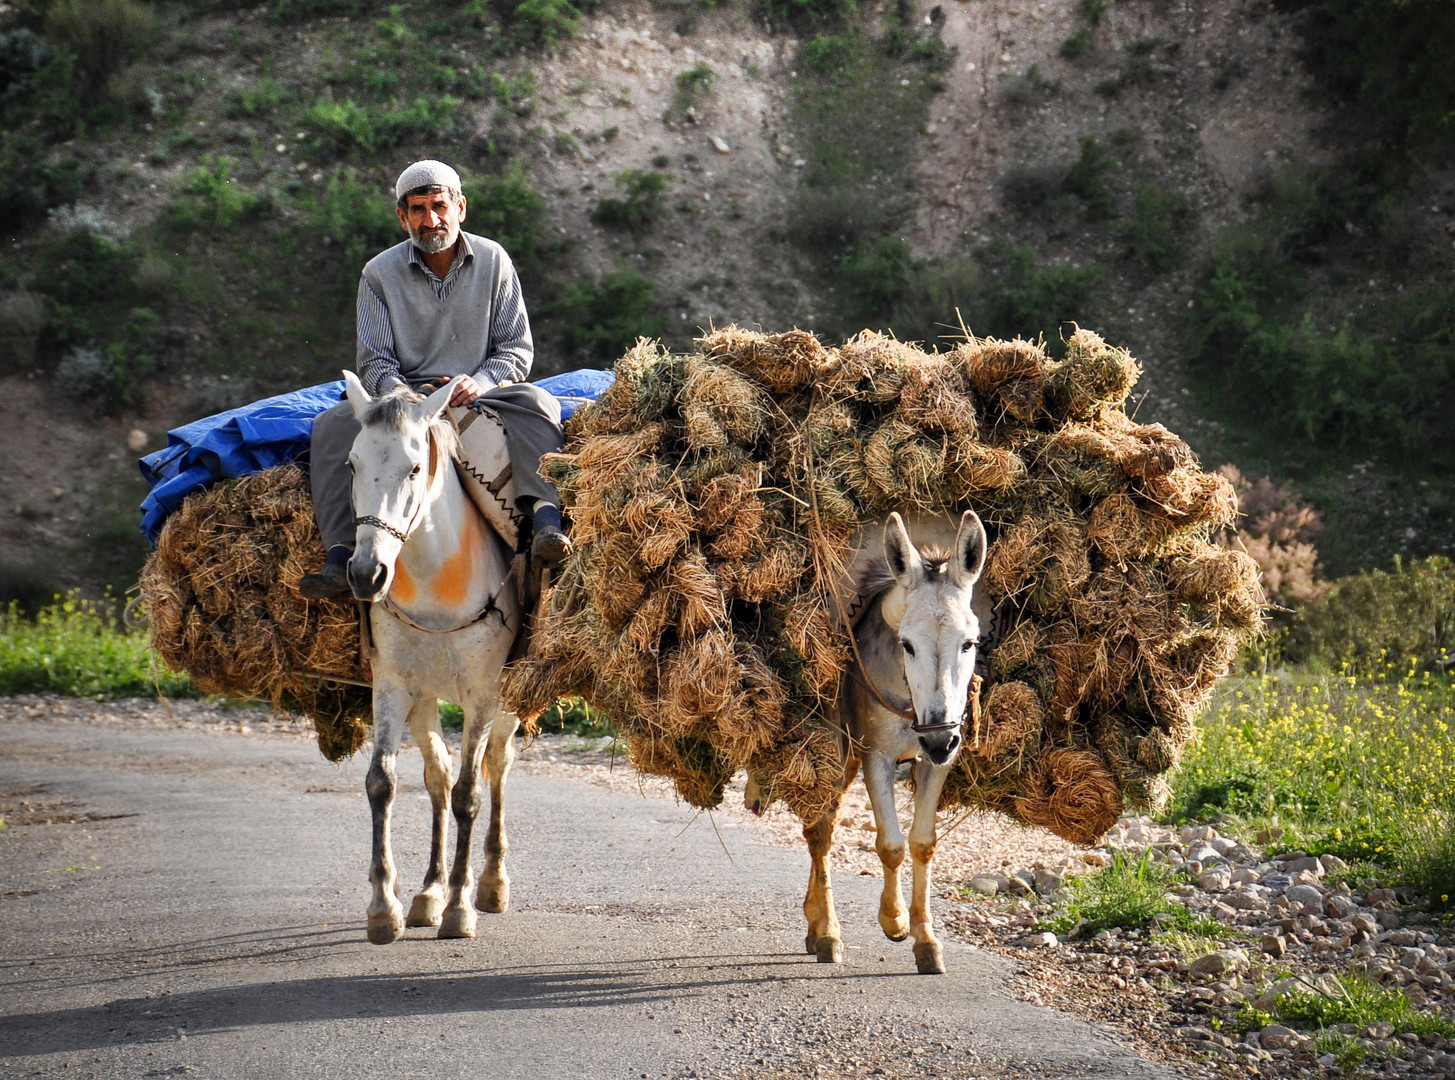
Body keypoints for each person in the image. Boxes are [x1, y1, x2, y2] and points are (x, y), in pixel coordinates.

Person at [300, 159, 570, 599]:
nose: (431, 220)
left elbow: (516, 349)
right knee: (331, 426)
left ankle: (545, 520)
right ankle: (340, 553)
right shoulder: (378, 274)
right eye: (419, 209)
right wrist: (407, 396)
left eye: (440, 206)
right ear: (402, 216)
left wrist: (478, 382)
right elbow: (375, 362)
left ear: (460, 208)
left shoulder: (493, 260)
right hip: (408, 398)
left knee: (539, 403)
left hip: (482, 392)